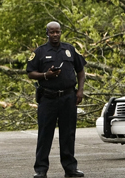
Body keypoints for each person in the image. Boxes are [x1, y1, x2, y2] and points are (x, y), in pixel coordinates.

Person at [26, 21, 86, 178]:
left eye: (57, 32)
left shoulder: (69, 49)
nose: (55, 35)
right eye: (52, 32)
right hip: (48, 98)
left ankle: (70, 168)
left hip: (68, 97)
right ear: (47, 33)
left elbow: (80, 70)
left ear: (61, 32)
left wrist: (80, 91)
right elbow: (31, 73)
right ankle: (41, 170)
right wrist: (46, 75)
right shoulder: (40, 52)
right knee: (45, 134)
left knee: (68, 134)